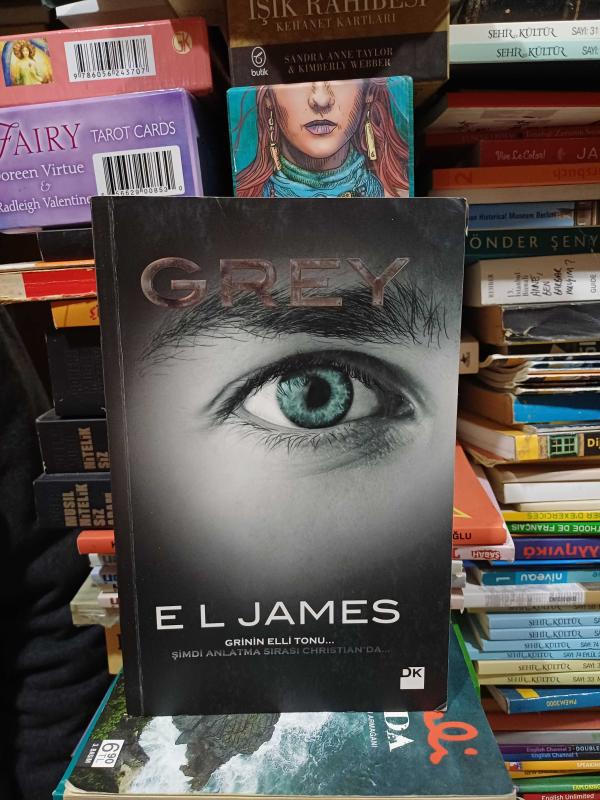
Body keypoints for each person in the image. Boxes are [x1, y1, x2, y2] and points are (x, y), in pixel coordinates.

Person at [234, 79, 410, 198]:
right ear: (268, 97)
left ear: (368, 91)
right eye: (294, 80)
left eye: (342, 77)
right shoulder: (243, 202)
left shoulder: (401, 196)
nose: (321, 100)